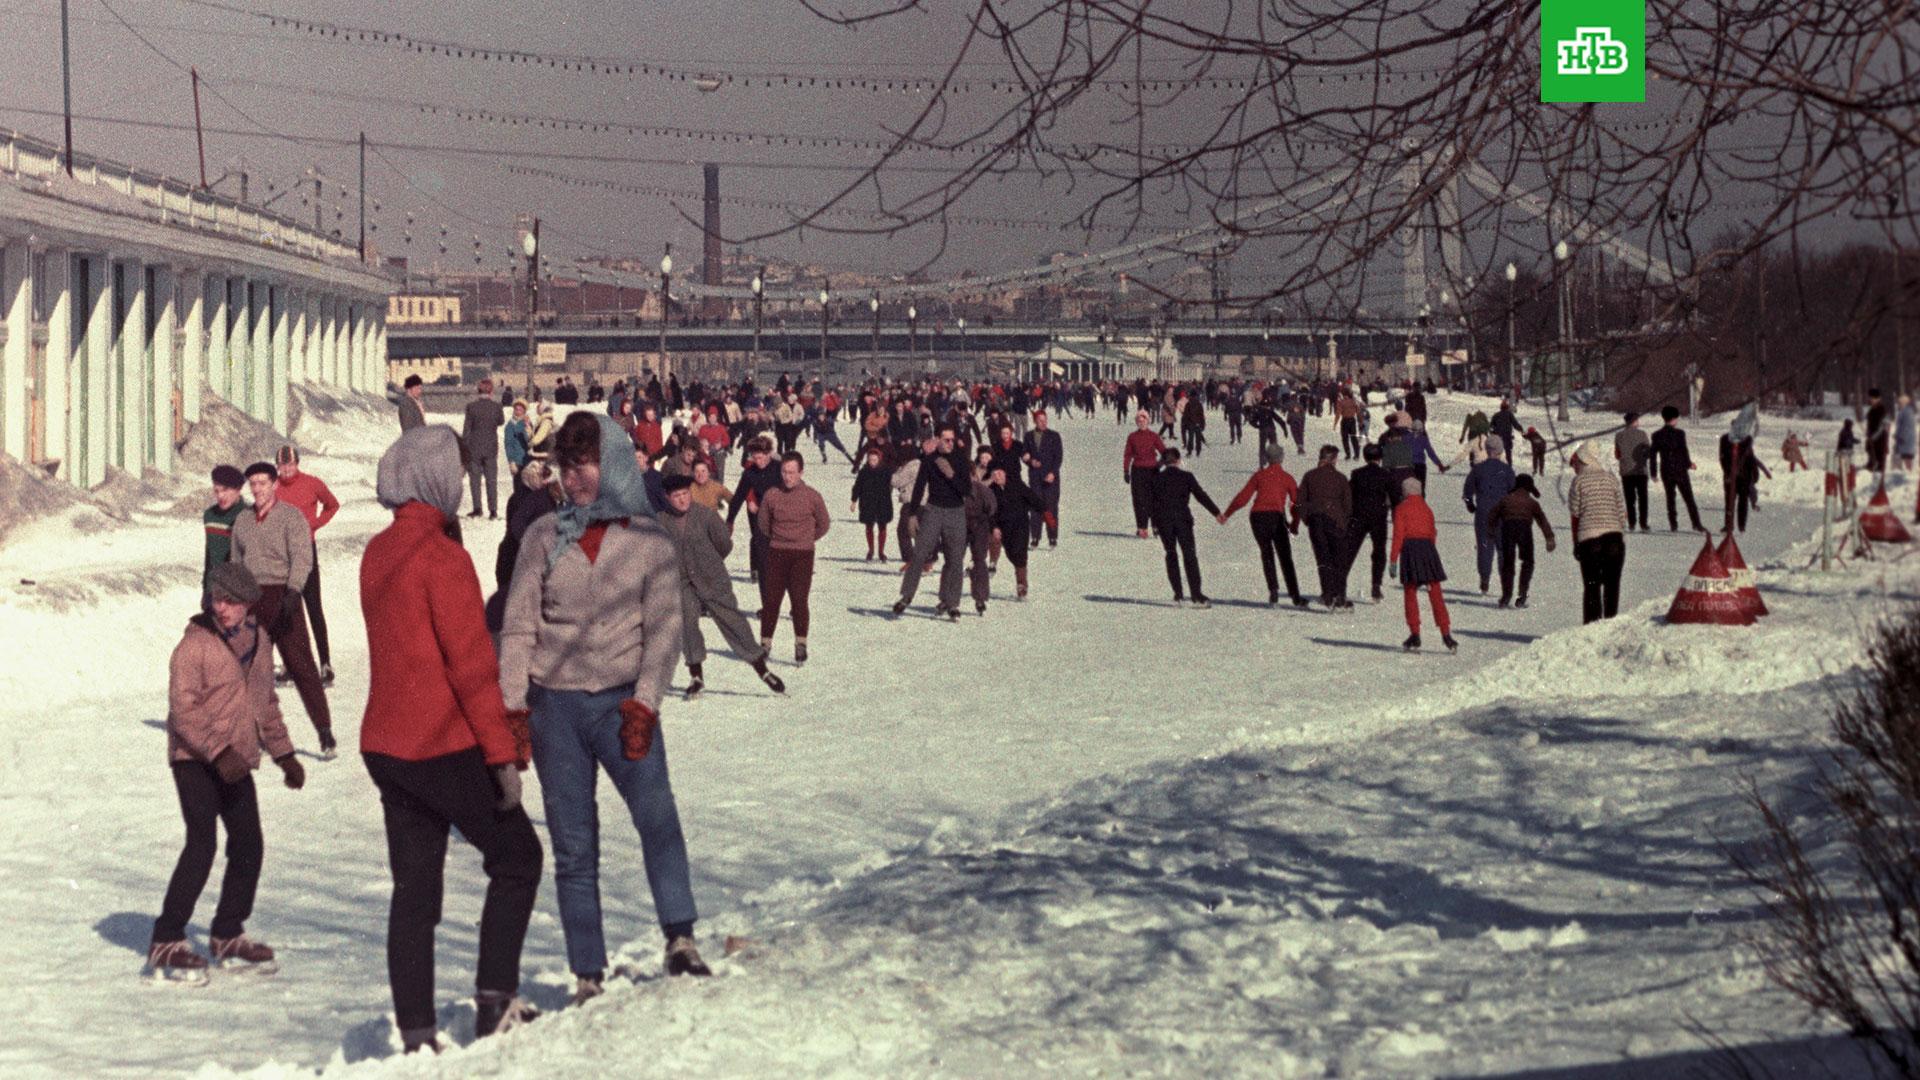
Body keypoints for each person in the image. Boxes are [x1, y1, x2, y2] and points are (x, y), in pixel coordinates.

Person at [499, 411, 711, 1005]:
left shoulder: (648, 539)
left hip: (622, 705)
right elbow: (517, 628)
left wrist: (645, 704)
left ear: (612, 462)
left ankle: (680, 936)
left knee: (657, 819)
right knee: (572, 843)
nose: (576, 476)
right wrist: (514, 709)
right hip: (555, 711)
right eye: (567, 465)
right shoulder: (542, 536)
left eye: (586, 462)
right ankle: (587, 971)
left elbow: (664, 630)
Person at [362, 424, 545, 1051]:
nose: (463, 484)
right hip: (440, 742)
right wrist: (503, 757)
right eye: (457, 474)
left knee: (415, 891)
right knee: (519, 857)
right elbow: (470, 666)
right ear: (436, 479)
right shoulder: (443, 558)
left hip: (385, 746)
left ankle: (416, 1034)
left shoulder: (377, 553)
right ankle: (495, 1001)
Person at [148, 561, 304, 980]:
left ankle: (227, 931)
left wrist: (283, 753)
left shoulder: (260, 640)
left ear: (249, 604)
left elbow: (264, 703)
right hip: (194, 759)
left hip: (234, 761)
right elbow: (184, 712)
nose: (223, 608)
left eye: (232, 601)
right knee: (202, 844)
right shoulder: (192, 647)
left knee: (249, 843)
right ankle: (165, 937)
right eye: (217, 599)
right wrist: (217, 752)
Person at [230, 462, 333, 756]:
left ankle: (324, 732)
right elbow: (236, 562)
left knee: (302, 666)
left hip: (283, 597)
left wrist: (293, 591)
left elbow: (302, 558)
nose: (258, 488)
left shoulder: (291, 517)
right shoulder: (243, 521)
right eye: (253, 483)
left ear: (275, 485)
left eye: (263, 483)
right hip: (252, 600)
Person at [658, 474, 786, 699]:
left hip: (712, 579)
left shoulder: (706, 515)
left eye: (685, 494)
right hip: (683, 583)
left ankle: (762, 670)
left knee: (733, 622)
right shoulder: (661, 521)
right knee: (687, 622)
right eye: (676, 496)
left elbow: (724, 545)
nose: (682, 500)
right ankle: (696, 676)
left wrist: (708, 562)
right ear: (667, 498)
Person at [272, 447, 341, 686]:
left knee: (313, 608)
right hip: (283, 557)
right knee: (288, 611)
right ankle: (292, 666)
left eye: (290, 465)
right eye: (282, 466)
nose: (286, 470)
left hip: (306, 553)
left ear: (298, 464)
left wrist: (315, 524)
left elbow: (333, 505)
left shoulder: (312, 484)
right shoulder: (274, 488)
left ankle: (325, 664)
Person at [758, 452, 832, 661]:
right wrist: (779, 538)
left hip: (802, 555)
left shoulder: (812, 496)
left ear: (801, 472)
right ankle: (765, 643)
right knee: (771, 601)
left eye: (792, 472)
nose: (787, 477)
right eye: (784, 472)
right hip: (777, 553)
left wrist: (806, 539)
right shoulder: (772, 495)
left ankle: (801, 643)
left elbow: (824, 524)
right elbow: (763, 524)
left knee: (799, 600)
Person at [893, 427, 972, 620]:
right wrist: (912, 515)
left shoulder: (961, 460)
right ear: (938, 440)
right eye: (946, 440)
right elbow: (919, 488)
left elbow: (967, 490)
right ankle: (906, 596)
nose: (950, 443)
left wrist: (951, 475)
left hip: (955, 512)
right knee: (920, 553)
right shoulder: (928, 461)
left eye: (952, 440)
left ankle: (952, 603)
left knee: (955, 559)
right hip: (933, 510)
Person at [1219, 442, 1307, 608]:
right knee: (1285, 556)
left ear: (1267, 458)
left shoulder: (1259, 476)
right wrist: (1294, 524)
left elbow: (1243, 498)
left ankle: (1273, 592)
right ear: (1281, 458)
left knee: (1266, 552)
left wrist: (1227, 514)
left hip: (1258, 517)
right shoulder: (1287, 478)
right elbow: (1297, 504)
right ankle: (1295, 596)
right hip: (1276, 517)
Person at [1389, 478, 1455, 653]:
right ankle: (1446, 633)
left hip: (1410, 549)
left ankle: (1415, 633)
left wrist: (1393, 560)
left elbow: (1398, 536)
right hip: (1428, 549)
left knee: (1410, 592)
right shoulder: (1427, 509)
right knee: (1435, 591)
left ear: (1406, 491)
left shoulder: (1401, 508)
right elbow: (1433, 533)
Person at [1568, 440, 1629, 624]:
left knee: (1592, 587)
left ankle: (1591, 629)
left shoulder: (1578, 481)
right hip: (1614, 539)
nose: (1574, 468)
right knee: (1612, 586)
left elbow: (1575, 516)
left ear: (1583, 461)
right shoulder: (1611, 478)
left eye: (1575, 464)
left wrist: (1576, 544)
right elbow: (1621, 512)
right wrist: (1620, 535)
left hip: (1589, 541)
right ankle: (1610, 627)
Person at [1297, 445, 1354, 610]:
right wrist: (1343, 522)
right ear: (1333, 459)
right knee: (1339, 560)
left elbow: (1300, 502)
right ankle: (1340, 595)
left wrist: (1308, 519)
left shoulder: (1309, 476)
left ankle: (1327, 594)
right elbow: (1348, 506)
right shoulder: (1341, 478)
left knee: (1323, 559)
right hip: (1335, 521)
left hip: (1315, 520)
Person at [1492, 474, 1556, 609]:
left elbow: (1492, 516)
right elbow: (1542, 520)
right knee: (1528, 562)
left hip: (1507, 530)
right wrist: (1549, 537)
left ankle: (1506, 596)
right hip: (1524, 530)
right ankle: (1521, 596)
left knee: (1508, 563)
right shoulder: (1532, 502)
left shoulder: (1505, 499)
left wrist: (1490, 533)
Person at [1462, 436, 1516, 594]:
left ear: (1486, 449)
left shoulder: (1477, 469)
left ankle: (1484, 578)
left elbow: (1467, 492)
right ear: (1501, 451)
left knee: (1484, 547)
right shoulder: (1507, 470)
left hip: (1483, 513)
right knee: (1503, 549)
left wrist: (1471, 506)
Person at [1342, 442, 1395, 603]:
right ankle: (1376, 586)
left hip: (1358, 516)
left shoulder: (1357, 474)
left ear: (1365, 457)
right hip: (1378, 517)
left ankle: (1340, 584)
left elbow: (1349, 495)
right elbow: (1394, 496)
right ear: (1380, 458)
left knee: (1350, 550)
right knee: (1379, 551)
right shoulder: (1386, 475)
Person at [726, 437, 781, 584]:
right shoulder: (750, 473)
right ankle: (757, 569)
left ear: (769, 454)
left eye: (761, 457)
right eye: (755, 458)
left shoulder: (779, 468)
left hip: (777, 511)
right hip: (756, 510)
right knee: (758, 539)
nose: (759, 461)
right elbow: (738, 497)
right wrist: (730, 520)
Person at [987, 463, 1043, 599]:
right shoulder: (991, 490)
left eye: (999, 473)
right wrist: (994, 526)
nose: (997, 477)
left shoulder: (1017, 485)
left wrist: (1044, 510)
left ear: (1005, 473)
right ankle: (993, 563)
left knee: (1020, 555)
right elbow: (989, 512)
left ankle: (1022, 585)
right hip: (1003, 526)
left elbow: (1033, 498)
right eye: (994, 475)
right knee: (1011, 553)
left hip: (1021, 525)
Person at [1649, 405, 1707, 532]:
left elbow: (1652, 455)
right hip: (1680, 470)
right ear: (1674, 418)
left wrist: (1653, 472)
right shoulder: (1680, 434)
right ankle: (1696, 524)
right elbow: (1683, 451)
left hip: (1666, 471)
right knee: (1689, 498)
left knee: (1670, 498)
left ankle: (1673, 524)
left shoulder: (1657, 435)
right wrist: (1689, 464)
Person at [202, 465, 248, 604]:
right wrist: (206, 589)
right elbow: (209, 555)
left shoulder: (248, 515)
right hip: (214, 591)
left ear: (238, 489)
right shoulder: (210, 516)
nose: (220, 496)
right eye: (217, 490)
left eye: (226, 490)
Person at [463, 380, 507, 520]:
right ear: (491, 391)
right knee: (491, 480)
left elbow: (467, 430)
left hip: (474, 448)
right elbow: (501, 421)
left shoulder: (471, 407)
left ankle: (477, 509)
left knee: (475, 480)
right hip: (490, 448)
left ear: (478, 391)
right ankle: (493, 511)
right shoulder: (497, 406)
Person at [1023, 409, 1065, 548]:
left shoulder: (1054, 436)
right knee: (1035, 508)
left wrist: (1053, 473)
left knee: (1051, 508)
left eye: (1045, 420)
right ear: (1035, 421)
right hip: (1035, 477)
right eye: (1040, 420)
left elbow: (1058, 457)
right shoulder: (1029, 436)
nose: (1043, 422)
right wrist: (1030, 461)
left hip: (1051, 478)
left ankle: (1052, 536)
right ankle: (1035, 537)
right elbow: (1025, 454)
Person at [962, 461, 999, 615]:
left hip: (979, 526)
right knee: (954, 560)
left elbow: (992, 509)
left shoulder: (983, 490)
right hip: (960, 525)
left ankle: (980, 597)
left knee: (979, 560)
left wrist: (990, 526)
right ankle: (948, 599)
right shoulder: (955, 489)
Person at [1123, 410, 1167, 539]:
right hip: (1138, 472)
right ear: (1136, 422)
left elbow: (1164, 451)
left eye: (1144, 420)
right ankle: (1142, 527)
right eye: (1139, 421)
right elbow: (1128, 455)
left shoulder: (1153, 436)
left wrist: (1161, 463)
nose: (1142, 423)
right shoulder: (1132, 437)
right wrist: (1126, 471)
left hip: (1153, 471)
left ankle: (1156, 525)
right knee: (1139, 500)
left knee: (1154, 499)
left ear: (1148, 421)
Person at [851, 445, 895, 561]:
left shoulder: (886, 471)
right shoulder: (864, 472)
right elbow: (857, 486)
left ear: (879, 459)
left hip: (883, 502)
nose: (872, 462)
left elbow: (895, 482)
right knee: (869, 526)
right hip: (868, 502)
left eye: (874, 460)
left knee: (882, 526)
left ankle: (881, 552)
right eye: (870, 460)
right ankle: (870, 550)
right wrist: (854, 500)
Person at [1614, 412, 1652, 532]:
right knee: (1643, 498)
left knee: (1630, 499)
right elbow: (1648, 452)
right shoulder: (1642, 434)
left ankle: (1631, 523)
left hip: (1626, 471)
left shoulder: (1619, 435)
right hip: (1640, 470)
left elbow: (1617, 454)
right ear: (1634, 421)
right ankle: (1644, 524)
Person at [504, 401, 531, 481]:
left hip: (528, 460)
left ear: (524, 411)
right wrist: (511, 461)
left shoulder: (527, 423)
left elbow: (531, 440)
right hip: (517, 461)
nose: (518, 411)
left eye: (520, 409)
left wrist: (528, 426)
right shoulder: (511, 425)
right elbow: (508, 444)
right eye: (516, 409)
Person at [1865, 387, 1890, 474]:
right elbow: (1870, 424)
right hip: (1871, 440)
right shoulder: (1871, 410)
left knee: (1879, 463)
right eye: (1870, 398)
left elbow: (1883, 426)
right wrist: (1868, 434)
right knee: (1871, 458)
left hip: (1880, 441)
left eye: (1873, 398)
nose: (1871, 400)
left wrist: (1874, 436)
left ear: (1878, 398)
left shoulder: (1882, 410)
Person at [1896, 393, 1917, 471]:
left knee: (1907, 457)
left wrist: (1901, 436)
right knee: (1907, 456)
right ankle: (1908, 471)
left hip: (1905, 439)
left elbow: (1906, 426)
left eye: (1900, 402)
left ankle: (1909, 472)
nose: (1899, 404)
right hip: (1907, 438)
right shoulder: (1907, 411)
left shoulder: (1905, 412)